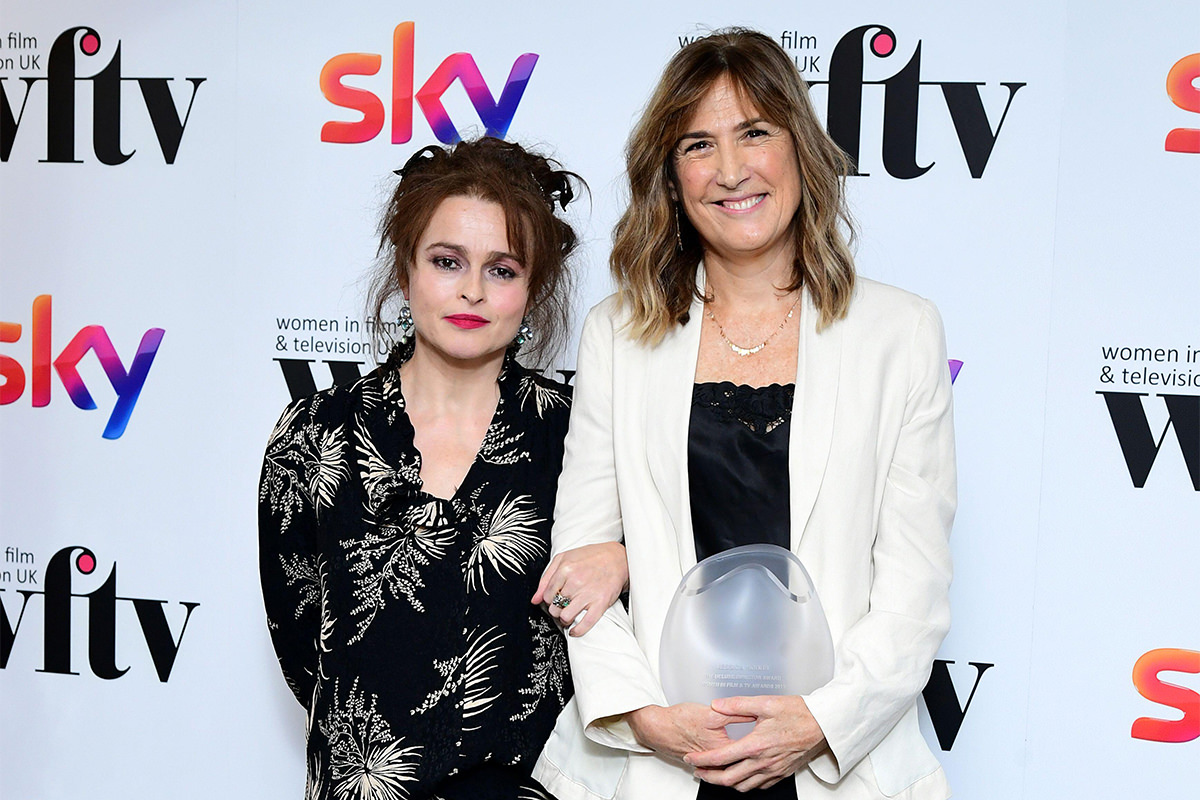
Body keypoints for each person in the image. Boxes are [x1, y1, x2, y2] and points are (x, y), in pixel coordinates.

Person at [533, 29, 956, 800]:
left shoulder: (902, 333)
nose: (730, 171)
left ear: (799, 145)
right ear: (670, 176)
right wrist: (646, 717)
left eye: (754, 132)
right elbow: (579, 561)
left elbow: (914, 593)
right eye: (698, 145)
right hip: (663, 763)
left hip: (840, 765)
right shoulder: (618, 334)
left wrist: (818, 723)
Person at [259, 137, 602, 800]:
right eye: (448, 262)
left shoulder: (581, 434)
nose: (472, 290)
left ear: (533, 290)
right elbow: (304, 644)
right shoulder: (314, 434)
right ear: (407, 269)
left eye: (503, 269)